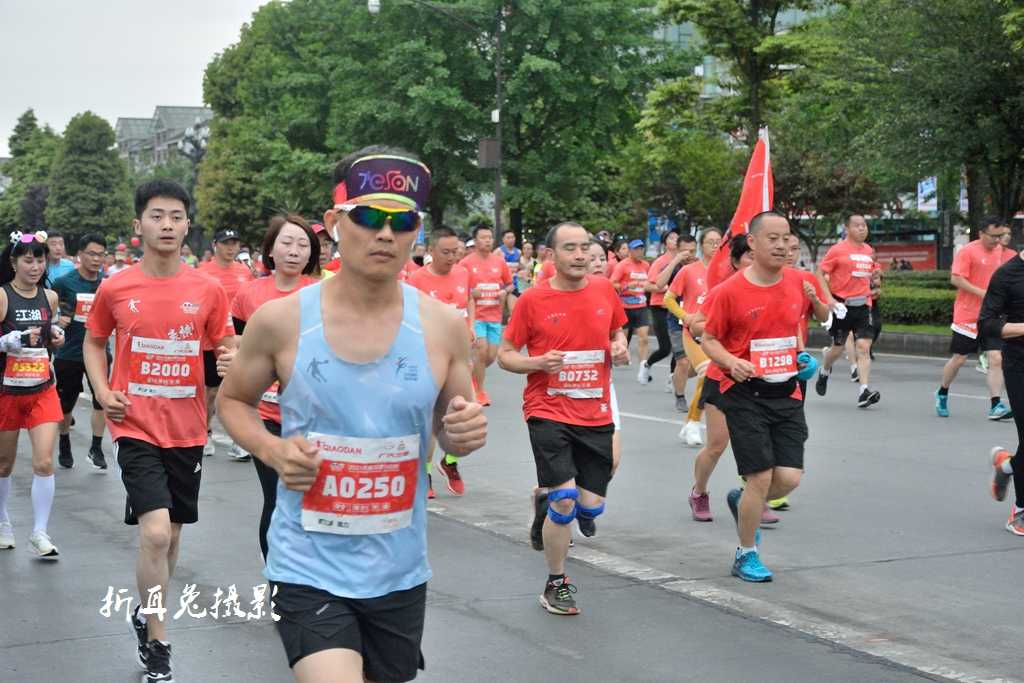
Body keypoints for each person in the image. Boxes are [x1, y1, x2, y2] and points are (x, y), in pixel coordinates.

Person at [215, 147, 486, 683]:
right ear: (335, 223)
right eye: (368, 217)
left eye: (401, 222)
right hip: (306, 562)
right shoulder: (281, 320)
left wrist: (465, 432)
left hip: (398, 566)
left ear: (416, 232)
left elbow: (455, 422)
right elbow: (232, 401)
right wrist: (272, 449)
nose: (385, 234)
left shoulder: (443, 326)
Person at [84, 179, 233, 683]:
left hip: (188, 430)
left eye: (175, 216)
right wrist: (103, 389)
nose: (166, 225)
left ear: (187, 226)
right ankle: (158, 640)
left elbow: (226, 346)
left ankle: (145, 613)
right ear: (139, 225)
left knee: (170, 535)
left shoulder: (207, 290)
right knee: (153, 532)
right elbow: (94, 341)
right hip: (135, 426)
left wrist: (231, 360)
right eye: (156, 216)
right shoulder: (116, 287)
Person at [499, 222, 628, 615]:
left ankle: (550, 505)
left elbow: (617, 332)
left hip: (595, 411)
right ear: (550, 256)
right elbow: (506, 354)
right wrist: (538, 362)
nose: (580, 255)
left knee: (591, 506)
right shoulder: (532, 300)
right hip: (548, 410)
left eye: (585, 247)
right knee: (566, 501)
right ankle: (556, 583)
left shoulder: (604, 290)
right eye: (570, 248)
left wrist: (619, 346)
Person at [701, 212, 828, 582]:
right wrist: (730, 362)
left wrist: (802, 359)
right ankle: (746, 554)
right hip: (744, 394)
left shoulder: (799, 282)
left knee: (788, 479)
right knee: (759, 476)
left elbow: (793, 328)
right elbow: (708, 339)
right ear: (753, 243)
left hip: (787, 392)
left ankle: (744, 504)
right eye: (772, 238)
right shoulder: (730, 291)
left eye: (786, 238)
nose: (782, 245)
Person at [228, 214, 319, 559]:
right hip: (265, 415)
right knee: (277, 497)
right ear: (270, 249)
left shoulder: (322, 294)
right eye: (287, 243)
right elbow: (236, 342)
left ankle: (308, 570)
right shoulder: (249, 294)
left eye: (303, 245)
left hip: (313, 416)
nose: (294, 251)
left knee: (307, 498)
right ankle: (277, 576)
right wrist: (232, 358)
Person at [0, 230, 66, 558]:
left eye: (40, 260)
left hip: (42, 389)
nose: (35, 267)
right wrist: (10, 341)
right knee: (3, 464)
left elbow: (49, 336)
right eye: (28, 260)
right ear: (14, 263)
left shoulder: (49, 297)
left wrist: (57, 336)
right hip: (6, 391)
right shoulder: (2, 296)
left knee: (44, 461)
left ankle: (40, 532)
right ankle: (3, 522)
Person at [408, 226, 475, 499]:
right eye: (445, 252)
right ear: (431, 251)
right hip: (428, 359)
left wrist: (471, 326)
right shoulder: (416, 280)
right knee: (431, 418)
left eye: (455, 252)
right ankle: (424, 473)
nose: (451, 257)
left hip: (459, 357)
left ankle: (450, 462)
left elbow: (468, 300)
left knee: (458, 414)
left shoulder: (463, 273)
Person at [937, 218, 1015, 419]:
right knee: (959, 358)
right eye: (993, 236)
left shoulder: (1001, 253)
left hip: (992, 315)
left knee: (995, 358)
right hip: (968, 314)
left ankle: (996, 405)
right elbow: (956, 278)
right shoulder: (968, 251)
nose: (997, 240)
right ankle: (943, 392)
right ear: (981, 233)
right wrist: (982, 293)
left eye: (1000, 236)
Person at [52, 233, 109, 470]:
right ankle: (64, 441)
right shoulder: (64, 283)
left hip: (100, 351)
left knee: (102, 400)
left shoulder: (107, 284)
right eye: (92, 254)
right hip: (70, 353)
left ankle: (96, 448)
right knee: (66, 403)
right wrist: (57, 321)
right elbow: (50, 312)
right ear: (80, 255)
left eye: (101, 255)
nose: (96, 259)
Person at [197, 228, 254, 459]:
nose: (231, 248)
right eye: (226, 243)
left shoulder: (245, 272)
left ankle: (240, 441)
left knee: (240, 389)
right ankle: (205, 432)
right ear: (215, 245)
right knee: (211, 391)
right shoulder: (203, 272)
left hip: (239, 339)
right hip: (211, 340)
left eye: (234, 243)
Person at [979, 245, 1024, 536]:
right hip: (1020, 363)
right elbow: (987, 324)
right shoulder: (1007, 275)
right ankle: (1020, 511)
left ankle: (1007, 466)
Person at [815, 214, 881, 407]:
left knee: (863, 347)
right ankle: (825, 369)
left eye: (864, 225)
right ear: (847, 229)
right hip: (842, 307)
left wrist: (875, 281)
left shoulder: (869, 251)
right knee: (837, 348)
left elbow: (872, 274)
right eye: (857, 225)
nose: (862, 228)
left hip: (864, 305)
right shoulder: (837, 250)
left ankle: (864, 391)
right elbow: (820, 273)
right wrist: (829, 299)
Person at [664, 229, 722, 442]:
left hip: (718, 334)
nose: (715, 246)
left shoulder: (727, 272)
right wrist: (685, 316)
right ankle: (694, 423)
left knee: (710, 375)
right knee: (706, 372)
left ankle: (690, 420)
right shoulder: (689, 271)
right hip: (694, 333)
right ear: (701, 246)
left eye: (718, 242)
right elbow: (668, 299)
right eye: (710, 242)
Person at [461, 225, 513, 406]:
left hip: (495, 316)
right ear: (475, 241)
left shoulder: (499, 262)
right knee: (481, 350)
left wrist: (505, 291)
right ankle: (480, 392)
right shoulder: (466, 263)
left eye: (490, 237)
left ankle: (471, 374)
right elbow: (458, 286)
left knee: (490, 356)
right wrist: (470, 293)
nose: (487, 241)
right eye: (483, 237)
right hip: (476, 316)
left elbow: (510, 284)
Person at [610, 239, 652, 383]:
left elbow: (649, 282)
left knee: (644, 338)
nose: (639, 252)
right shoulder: (622, 265)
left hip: (641, 305)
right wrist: (627, 286)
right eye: (636, 249)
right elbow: (612, 283)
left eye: (641, 249)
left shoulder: (646, 265)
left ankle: (642, 369)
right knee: (623, 338)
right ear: (630, 251)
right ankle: (615, 362)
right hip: (624, 306)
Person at [646, 231, 683, 393]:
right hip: (659, 307)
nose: (675, 240)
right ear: (664, 243)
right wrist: (669, 289)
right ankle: (647, 365)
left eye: (677, 237)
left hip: (677, 309)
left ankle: (672, 378)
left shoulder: (685, 262)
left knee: (678, 348)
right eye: (671, 238)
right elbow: (648, 286)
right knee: (665, 348)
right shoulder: (660, 262)